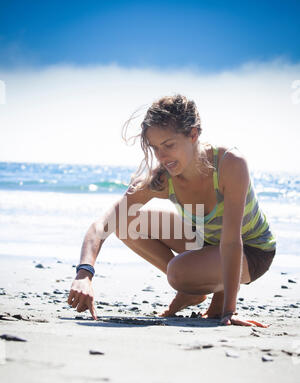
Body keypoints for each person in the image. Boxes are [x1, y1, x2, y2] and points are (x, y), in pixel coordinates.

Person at [67, 94, 276, 326]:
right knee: (127, 223)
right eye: (155, 148)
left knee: (178, 272)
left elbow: (231, 240)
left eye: (168, 145)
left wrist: (228, 310)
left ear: (193, 134)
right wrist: (84, 273)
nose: (162, 156)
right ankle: (194, 287)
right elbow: (103, 223)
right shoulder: (163, 178)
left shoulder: (230, 164)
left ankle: (193, 281)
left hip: (252, 251)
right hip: (209, 243)